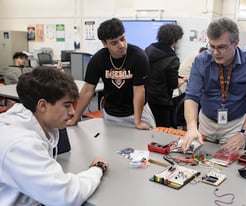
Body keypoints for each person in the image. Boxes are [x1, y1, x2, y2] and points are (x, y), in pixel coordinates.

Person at [0, 68, 109, 205]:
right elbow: (66, 196)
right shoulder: (20, 144)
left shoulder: (35, 125)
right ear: (43, 105)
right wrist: (97, 168)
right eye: (67, 105)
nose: (73, 112)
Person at [181, 17, 246, 152]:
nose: (215, 52)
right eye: (212, 46)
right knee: (200, 160)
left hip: (235, 124)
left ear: (236, 42)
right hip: (206, 121)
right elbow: (191, 96)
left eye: (221, 47)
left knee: (227, 164)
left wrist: (244, 133)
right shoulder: (201, 61)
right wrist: (191, 128)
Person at [67, 18, 156, 129]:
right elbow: (88, 89)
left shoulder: (138, 56)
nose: (121, 45)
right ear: (105, 43)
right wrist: (75, 119)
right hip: (111, 114)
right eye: (114, 43)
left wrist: (137, 121)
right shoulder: (98, 59)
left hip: (138, 112)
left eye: (123, 39)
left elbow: (139, 90)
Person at [145, 24, 187, 127]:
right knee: (161, 135)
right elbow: (173, 84)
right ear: (174, 40)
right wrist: (183, 80)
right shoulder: (173, 59)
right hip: (161, 102)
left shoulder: (149, 49)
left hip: (145, 99)